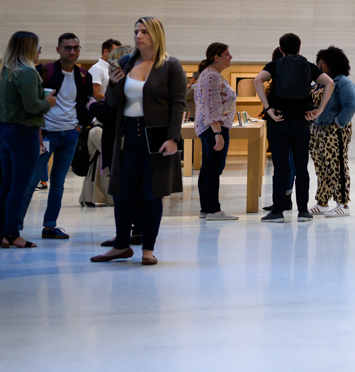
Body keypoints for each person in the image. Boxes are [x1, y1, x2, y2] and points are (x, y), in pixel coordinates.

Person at [90, 17, 185, 265]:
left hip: (156, 137)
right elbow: (112, 102)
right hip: (127, 135)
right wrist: (112, 82)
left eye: (144, 32)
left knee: (152, 194)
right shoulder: (125, 61)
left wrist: (173, 138)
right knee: (122, 193)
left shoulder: (170, 65)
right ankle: (121, 245)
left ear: (156, 34)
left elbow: (178, 104)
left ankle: (148, 249)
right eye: (136, 32)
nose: (138, 36)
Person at [253, 33, 334, 223]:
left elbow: (257, 80)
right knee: (301, 168)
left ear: (280, 49)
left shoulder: (274, 65)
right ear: (299, 48)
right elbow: (329, 82)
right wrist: (319, 109)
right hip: (302, 123)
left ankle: (278, 211)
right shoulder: (308, 66)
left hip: (279, 123)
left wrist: (268, 109)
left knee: (280, 168)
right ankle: (303, 211)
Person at [27, 31, 93, 238]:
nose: (72, 51)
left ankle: (50, 226)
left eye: (76, 48)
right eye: (67, 48)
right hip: (45, 134)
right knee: (31, 180)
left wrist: (80, 127)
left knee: (58, 182)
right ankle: (12, 228)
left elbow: (87, 103)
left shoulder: (83, 75)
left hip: (70, 135)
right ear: (58, 50)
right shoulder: (44, 70)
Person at [0, 30, 56, 248]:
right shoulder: (28, 72)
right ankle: (13, 233)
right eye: (38, 47)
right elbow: (32, 106)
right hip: (23, 133)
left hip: (5, 131)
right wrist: (47, 102)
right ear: (29, 49)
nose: (40, 51)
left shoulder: (6, 71)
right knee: (19, 185)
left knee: (6, 183)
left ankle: (3, 233)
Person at [192, 42, 238, 221]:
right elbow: (212, 106)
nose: (230, 57)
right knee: (214, 169)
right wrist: (218, 132)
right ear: (216, 57)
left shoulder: (209, 74)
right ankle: (214, 210)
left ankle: (207, 207)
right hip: (213, 128)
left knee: (208, 168)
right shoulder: (212, 76)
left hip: (209, 127)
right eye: (227, 54)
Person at [310, 45, 355, 217]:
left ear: (333, 63)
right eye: (318, 62)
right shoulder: (318, 83)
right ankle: (322, 202)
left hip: (334, 130)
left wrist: (337, 124)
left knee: (337, 165)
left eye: (323, 62)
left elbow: (350, 106)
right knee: (321, 167)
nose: (319, 65)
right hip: (318, 130)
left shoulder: (343, 82)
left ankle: (343, 204)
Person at [89, 37, 120, 102]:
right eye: (115, 52)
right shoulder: (97, 68)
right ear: (105, 51)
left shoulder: (114, 68)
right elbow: (95, 95)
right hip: (101, 108)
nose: (118, 55)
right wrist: (116, 98)